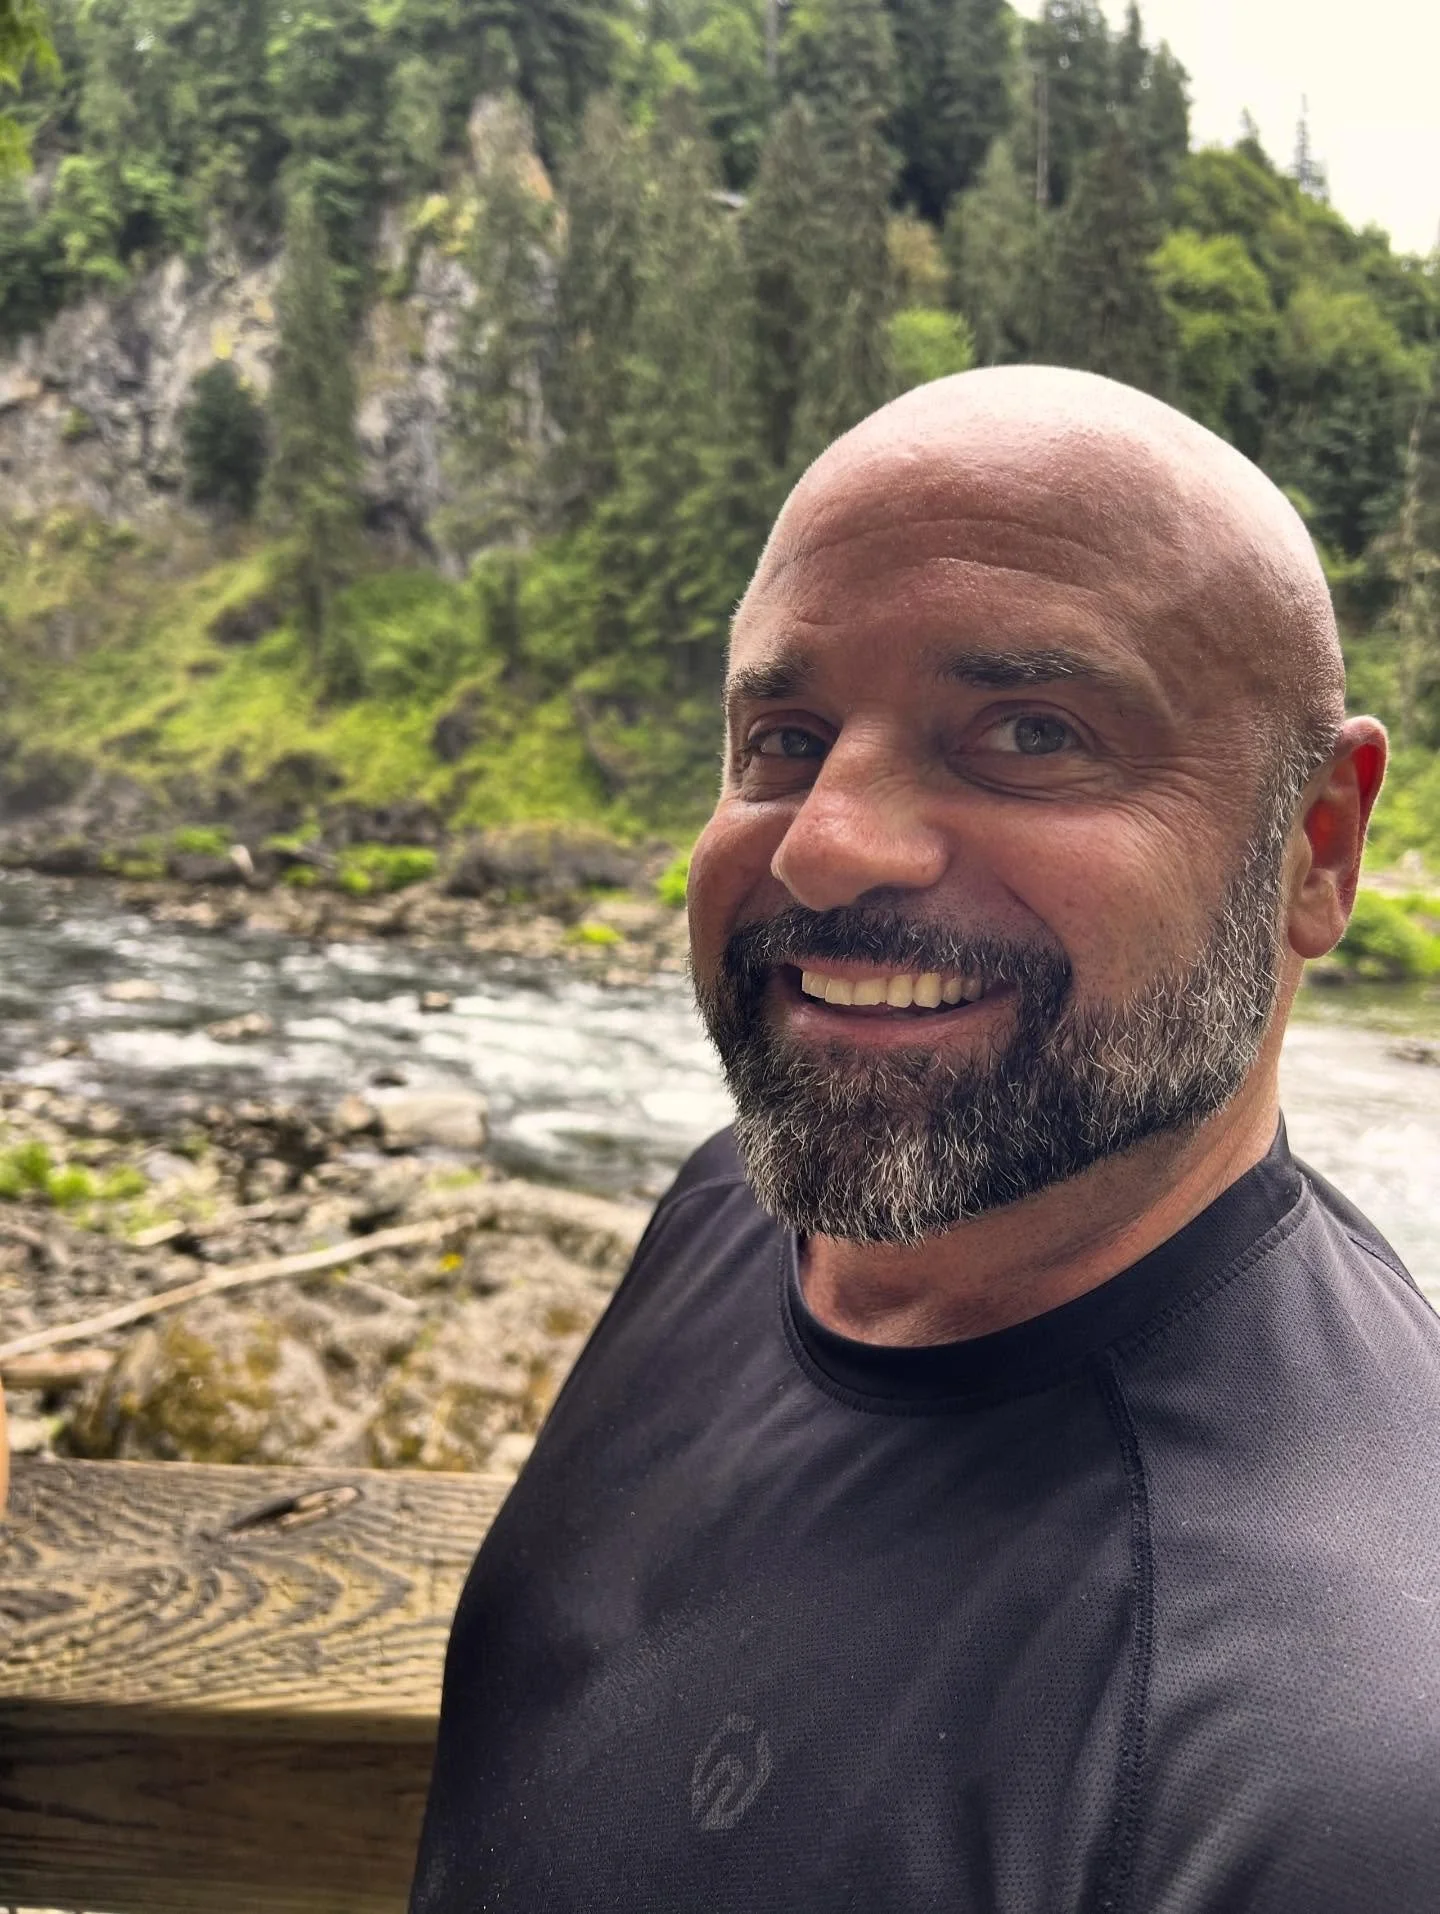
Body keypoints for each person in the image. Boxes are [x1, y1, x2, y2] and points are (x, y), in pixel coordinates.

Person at [409, 367, 1440, 1913]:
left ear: (1317, 846)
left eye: (1029, 730)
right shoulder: (735, 1212)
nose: (826, 843)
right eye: (783, 734)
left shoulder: (1327, 1762)